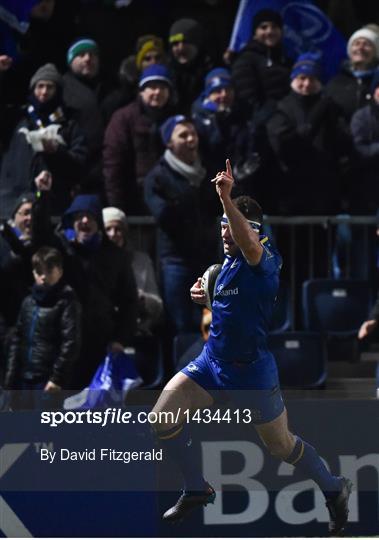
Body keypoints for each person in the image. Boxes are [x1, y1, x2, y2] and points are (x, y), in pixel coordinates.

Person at [150, 159, 352, 536]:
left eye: (235, 226)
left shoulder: (264, 260)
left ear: (256, 231)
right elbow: (230, 306)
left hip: (253, 371)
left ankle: (334, 487)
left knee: (282, 447)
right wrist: (205, 298)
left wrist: (225, 197)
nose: (227, 232)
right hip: (212, 364)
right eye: (223, 225)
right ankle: (196, 487)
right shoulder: (223, 266)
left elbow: (248, 244)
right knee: (161, 418)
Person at [144, 115, 218, 334]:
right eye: (183, 135)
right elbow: (165, 215)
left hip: (206, 257)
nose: (190, 139)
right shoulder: (157, 177)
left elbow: (216, 207)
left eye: (192, 134)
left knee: (211, 322)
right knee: (180, 324)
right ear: (169, 142)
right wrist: (191, 199)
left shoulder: (207, 172)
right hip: (176, 260)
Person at [56, 194, 138, 389]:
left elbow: (129, 302)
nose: (85, 221)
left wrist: (120, 339)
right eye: (79, 216)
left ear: (98, 222)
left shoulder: (116, 256)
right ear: (72, 222)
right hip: (65, 345)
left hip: (101, 344)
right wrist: (44, 194)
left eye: (90, 216)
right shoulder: (63, 251)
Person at [0, 63, 87, 218]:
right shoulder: (17, 118)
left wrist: (56, 152)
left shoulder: (69, 123)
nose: (44, 92)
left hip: (53, 206)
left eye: (50, 87)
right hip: (12, 204)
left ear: (58, 91)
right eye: (40, 86)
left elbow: (80, 165)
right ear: (33, 89)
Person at [4, 246, 81, 409]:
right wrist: (10, 379)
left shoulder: (67, 302)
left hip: (47, 381)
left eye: (49, 271)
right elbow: (17, 341)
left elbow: (70, 343)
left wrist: (57, 378)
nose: (43, 277)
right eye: (39, 272)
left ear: (59, 271)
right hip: (24, 379)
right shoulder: (28, 302)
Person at [103, 64, 176, 215]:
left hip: (170, 199)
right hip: (134, 199)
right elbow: (113, 164)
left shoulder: (176, 119)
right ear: (141, 91)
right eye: (151, 87)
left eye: (162, 87)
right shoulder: (123, 118)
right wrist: (117, 207)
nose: (157, 92)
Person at [102, 206, 163, 337]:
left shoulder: (141, 260)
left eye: (118, 229)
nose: (113, 234)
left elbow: (157, 306)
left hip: (136, 329)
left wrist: (143, 299)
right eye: (108, 229)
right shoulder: (95, 260)